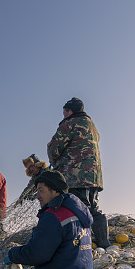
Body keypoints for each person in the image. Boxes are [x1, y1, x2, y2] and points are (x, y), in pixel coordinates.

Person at [47, 97, 110, 247]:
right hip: (94, 177)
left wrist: (54, 161)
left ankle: (80, 244)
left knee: (76, 208)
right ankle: (104, 243)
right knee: (93, 208)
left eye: (64, 113)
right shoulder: (92, 126)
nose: (63, 116)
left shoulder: (69, 124)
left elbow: (54, 148)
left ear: (70, 111)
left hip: (75, 175)